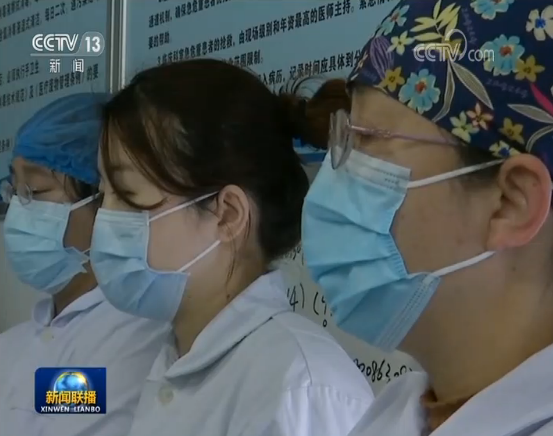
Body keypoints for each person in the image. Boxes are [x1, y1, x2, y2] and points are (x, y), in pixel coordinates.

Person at [302, 0, 553, 435]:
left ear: (511, 203)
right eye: (344, 137)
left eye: (367, 141)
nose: (332, 177)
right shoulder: (397, 411)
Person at [88, 59, 374, 436]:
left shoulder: (299, 389)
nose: (104, 219)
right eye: (102, 193)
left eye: (127, 196)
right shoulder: (170, 356)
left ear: (227, 215)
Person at [0, 93, 169, 436]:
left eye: (36, 190)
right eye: (14, 190)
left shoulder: (144, 338)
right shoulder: (12, 345)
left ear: (107, 201)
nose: (17, 208)